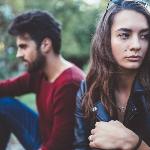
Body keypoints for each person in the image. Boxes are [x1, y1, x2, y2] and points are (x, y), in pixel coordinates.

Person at [0, 10, 85, 150]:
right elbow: (6, 87)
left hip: (57, 146)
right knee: (3, 103)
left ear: (45, 45)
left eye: (23, 47)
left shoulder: (70, 84)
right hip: (44, 136)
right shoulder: (39, 72)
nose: (18, 54)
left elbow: (59, 146)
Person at [74, 0, 150, 150]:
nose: (136, 45)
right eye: (124, 35)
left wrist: (135, 143)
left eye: (144, 36)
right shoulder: (88, 89)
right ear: (106, 39)